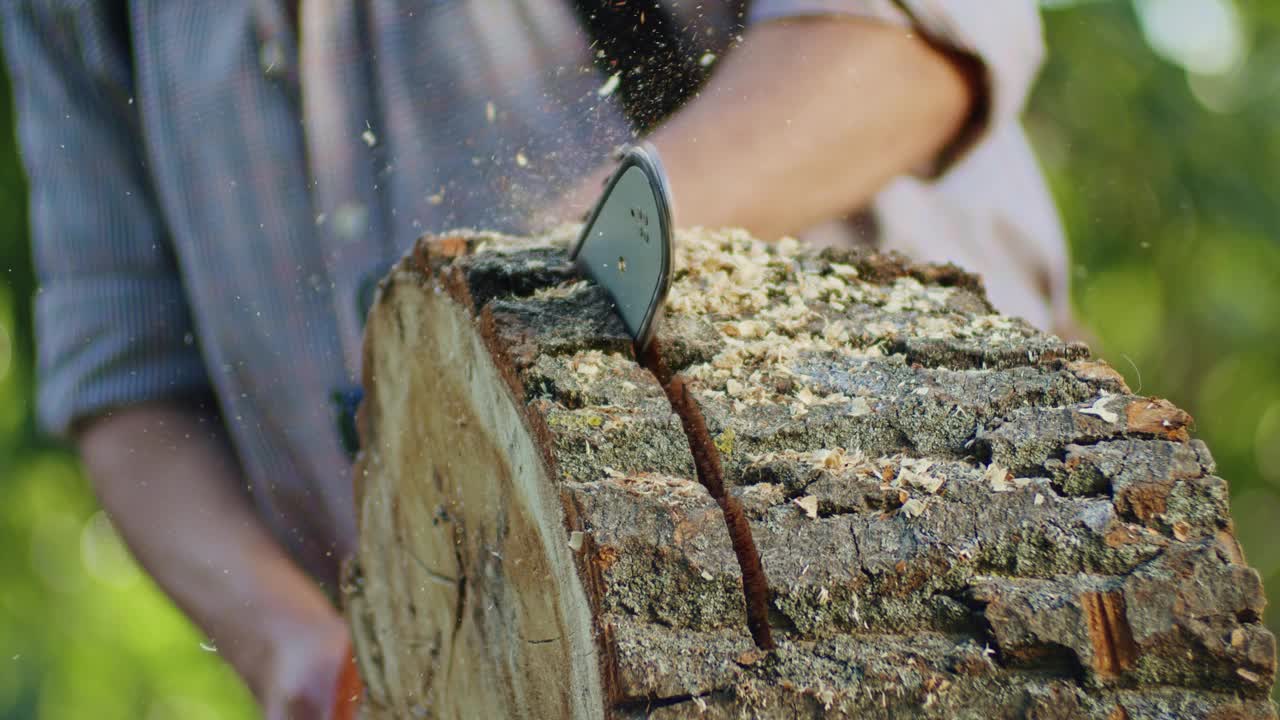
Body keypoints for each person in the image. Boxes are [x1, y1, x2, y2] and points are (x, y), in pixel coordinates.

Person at [2, 1, 1070, 716]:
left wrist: (560, 267)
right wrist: (304, 657)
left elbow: (908, 42)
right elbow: (125, 378)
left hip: (912, 586)